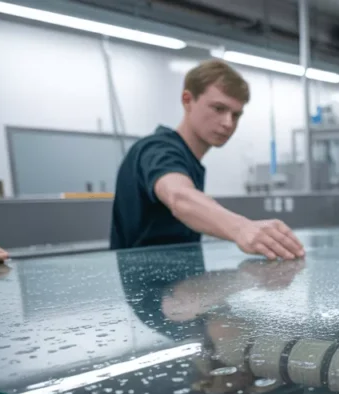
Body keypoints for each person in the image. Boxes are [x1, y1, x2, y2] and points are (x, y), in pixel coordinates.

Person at [110, 59, 305, 261]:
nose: (228, 123)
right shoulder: (157, 149)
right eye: (219, 109)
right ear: (187, 100)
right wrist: (242, 228)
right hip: (146, 291)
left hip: (176, 287)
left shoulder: (190, 162)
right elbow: (179, 196)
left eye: (236, 114)